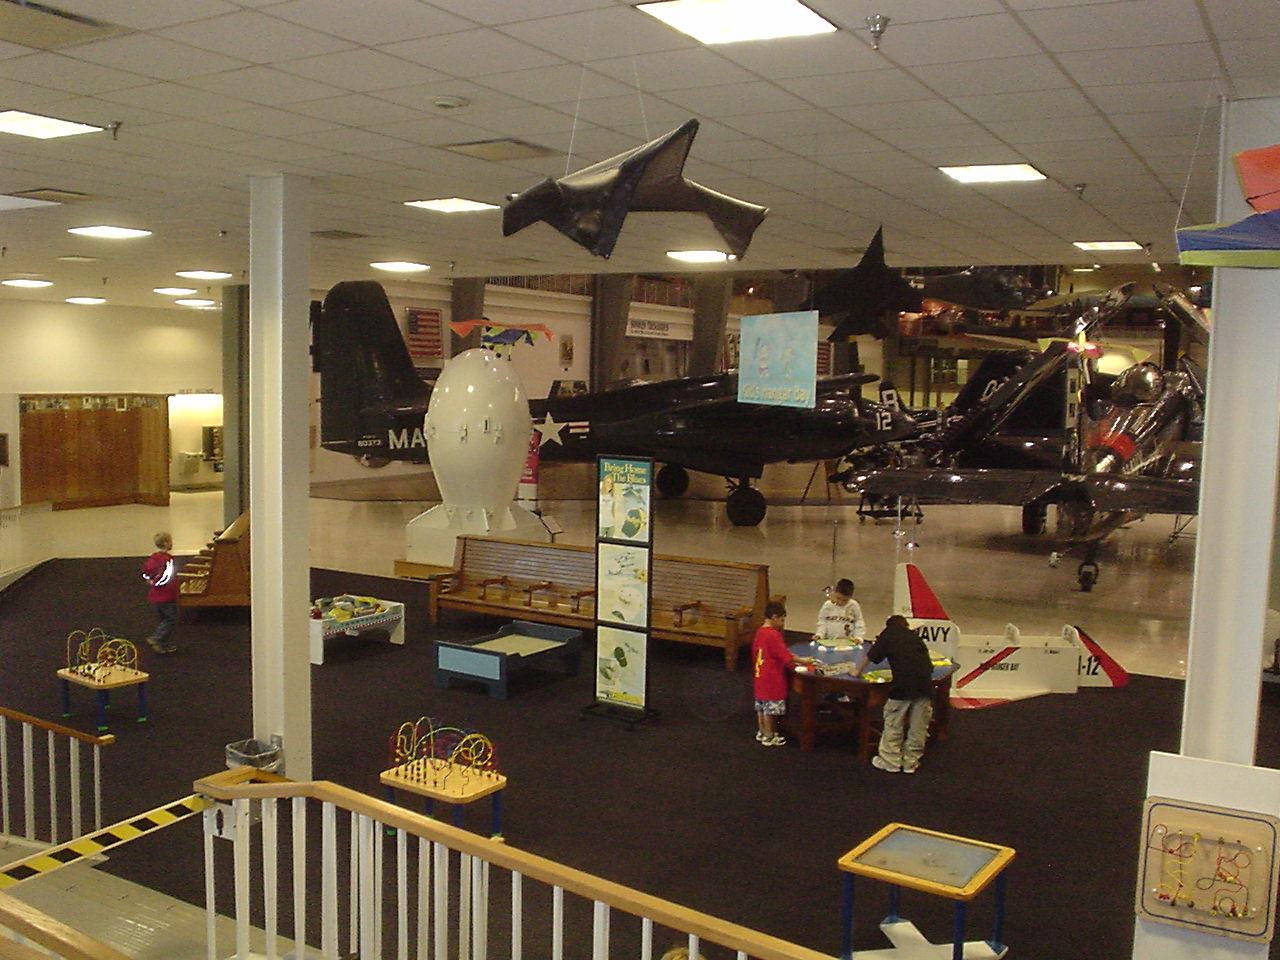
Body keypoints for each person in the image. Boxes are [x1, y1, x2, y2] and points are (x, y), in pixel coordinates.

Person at [856, 615, 934, 773]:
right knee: (918, 726)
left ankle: (890, 761)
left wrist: (856, 671)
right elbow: (929, 666)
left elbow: (871, 656)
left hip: (902, 687)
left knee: (894, 722)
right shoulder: (915, 637)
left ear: (888, 625)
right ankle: (911, 762)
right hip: (925, 686)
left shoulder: (889, 634)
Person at [752, 600, 811, 747]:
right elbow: (784, 655)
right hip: (772, 677)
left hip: (760, 675)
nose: (782, 623)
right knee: (770, 710)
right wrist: (803, 661)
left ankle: (761, 732)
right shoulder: (773, 634)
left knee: (762, 707)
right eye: (782, 620)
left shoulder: (760, 632)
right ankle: (769, 735)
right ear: (774, 617)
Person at [141, 532, 178, 654]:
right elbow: (167, 576)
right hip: (166, 595)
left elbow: (145, 572)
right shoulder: (168, 560)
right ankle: (157, 639)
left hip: (156, 596)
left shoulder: (152, 558)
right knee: (170, 619)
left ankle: (162, 643)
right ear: (166, 543)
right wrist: (157, 583)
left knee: (163, 619)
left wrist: (150, 581)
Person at [813, 578, 865, 642]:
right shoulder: (827, 605)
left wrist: (859, 637)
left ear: (850, 597)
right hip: (828, 641)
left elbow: (859, 622)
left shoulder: (854, 605)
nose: (840, 602)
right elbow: (822, 622)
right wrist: (819, 634)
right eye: (838, 598)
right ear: (835, 592)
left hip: (848, 642)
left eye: (845, 600)